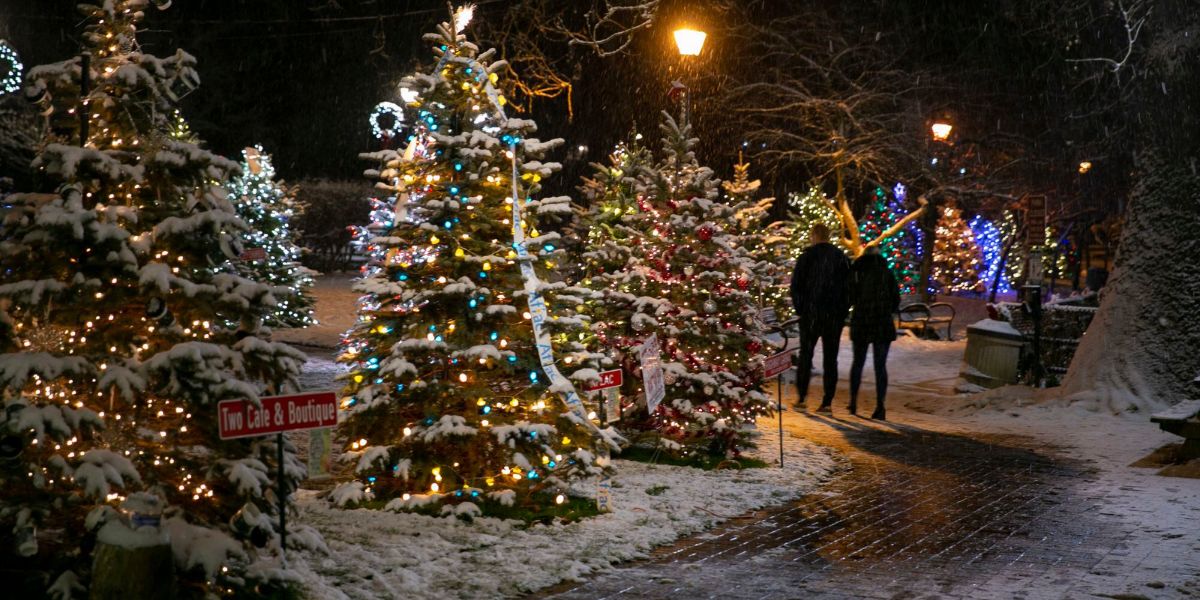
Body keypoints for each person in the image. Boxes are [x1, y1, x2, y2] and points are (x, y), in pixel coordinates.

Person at [789, 223, 850, 413]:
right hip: (832, 317)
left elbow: (796, 286)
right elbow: (849, 288)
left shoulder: (807, 258)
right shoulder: (840, 258)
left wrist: (803, 309)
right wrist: (841, 310)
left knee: (806, 355)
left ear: (814, 235)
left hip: (811, 315)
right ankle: (827, 402)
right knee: (830, 359)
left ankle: (801, 397)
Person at [848, 246, 901, 420]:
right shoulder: (887, 273)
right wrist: (884, 309)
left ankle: (853, 401)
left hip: (862, 320)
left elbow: (851, 296)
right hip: (882, 322)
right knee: (880, 366)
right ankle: (880, 406)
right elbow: (895, 299)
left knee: (858, 363)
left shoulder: (856, 271)